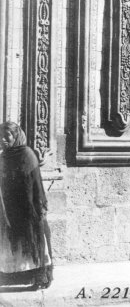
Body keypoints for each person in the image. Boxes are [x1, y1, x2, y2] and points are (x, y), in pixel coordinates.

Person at [0, 122, 53, 289]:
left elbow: (36, 183)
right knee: (12, 243)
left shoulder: (27, 154)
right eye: (0, 136)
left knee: (34, 241)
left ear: (16, 136)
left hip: (28, 207)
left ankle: (40, 278)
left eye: (7, 135)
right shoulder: (3, 156)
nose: (2, 139)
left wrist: (40, 207)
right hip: (10, 207)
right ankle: (17, 277)